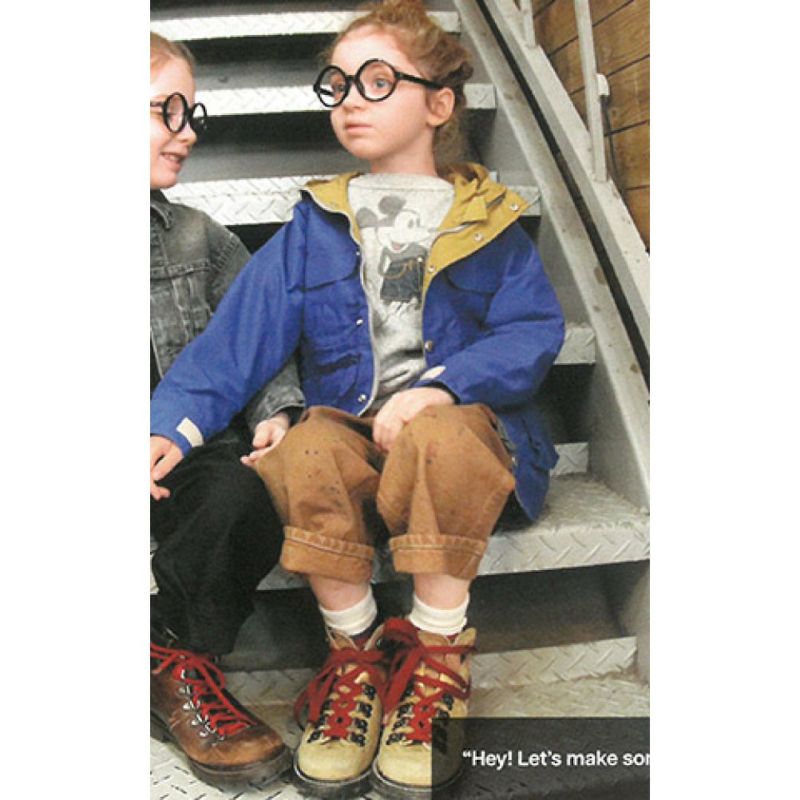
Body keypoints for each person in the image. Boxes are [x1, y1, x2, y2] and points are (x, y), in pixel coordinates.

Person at [149, 1, 565, 796]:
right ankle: (357, 657)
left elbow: (531, 334)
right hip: (357, 449)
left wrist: (443, 387)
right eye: (336, 85)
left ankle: (437, 657)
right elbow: (238, 340)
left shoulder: (490, 223)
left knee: (441, 434)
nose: (348, 100)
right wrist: (173, 424)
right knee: (304, 445)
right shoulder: (318, 225)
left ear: (438, 105)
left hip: (459, 448)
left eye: (375, 81)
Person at [148, 32, 299, 786]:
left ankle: (174, 659)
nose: (188, 132)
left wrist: (277, 411)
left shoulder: (199, 238)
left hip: (185, 453)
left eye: (192, 112)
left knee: (246, 490)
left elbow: (257, 336)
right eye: (165, 110)